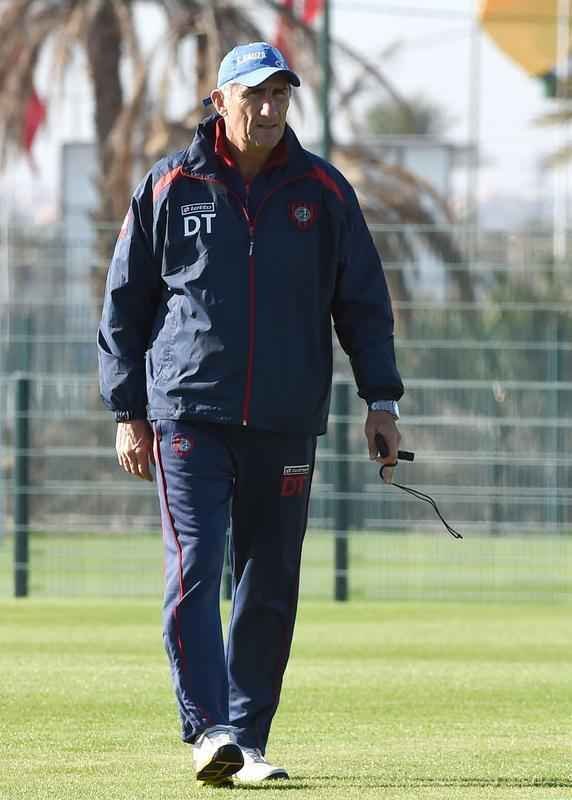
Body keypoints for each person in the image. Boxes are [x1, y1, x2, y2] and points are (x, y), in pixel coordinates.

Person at [98, 41, 403, 786]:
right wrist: (127, 410)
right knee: (197, 567)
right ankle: (209, 730)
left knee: (269, 582)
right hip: (186, 419)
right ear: (220, 102)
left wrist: (382, 400)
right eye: (253, 97)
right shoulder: (170, 185)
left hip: (287, 420)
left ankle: (248, 741)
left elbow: (361, 302)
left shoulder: (323, 191)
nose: (267, 110)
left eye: (279, 97)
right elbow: (124, 305)